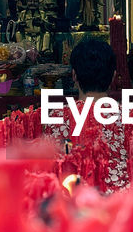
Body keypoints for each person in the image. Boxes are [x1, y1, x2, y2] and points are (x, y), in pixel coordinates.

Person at [49, 38, 127, 192]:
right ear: (113, 77)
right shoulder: (131, 116)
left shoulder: (57, 117)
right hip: (124, 206)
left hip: (73, 207)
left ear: (74, 76)